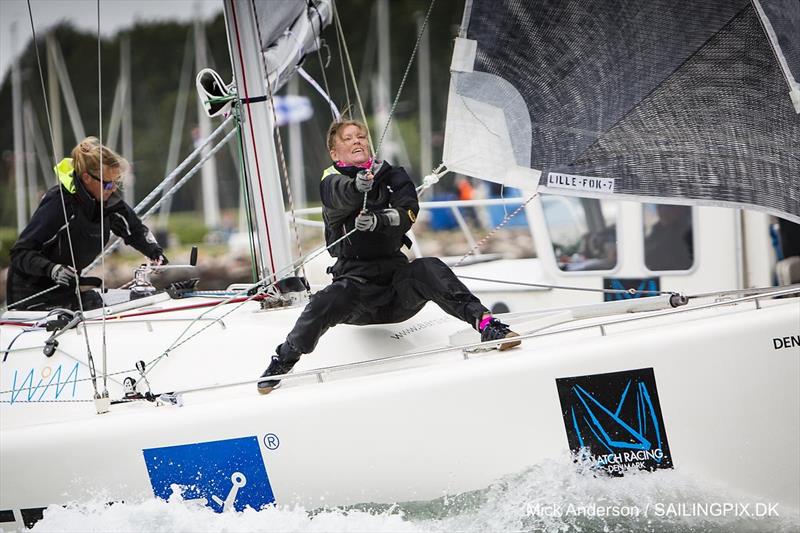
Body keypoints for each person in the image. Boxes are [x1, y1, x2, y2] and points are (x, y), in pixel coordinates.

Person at [257, 120, 520, 394]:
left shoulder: (392, 175)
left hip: (396, 289)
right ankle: (283, 359)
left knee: (429, 267)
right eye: (348, 139)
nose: (357, 140)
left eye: (361, 136)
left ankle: (488, 326)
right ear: (335, 153)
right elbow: (338, 195)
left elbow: (409, 211)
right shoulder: (330, 180)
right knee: (324, 301)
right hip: (356, 291)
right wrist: (358, 187)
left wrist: (379, 220)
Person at [7, 137, 167, 311]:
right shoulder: (59, 203)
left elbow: (135, 230)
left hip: (66, 292)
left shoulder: (109, 203)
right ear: (86, 178)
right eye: (107, 184)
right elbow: (20, 252)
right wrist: (52, 269)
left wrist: (154, 252)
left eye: (116, 183)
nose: (112, 189)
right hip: (30, 296)